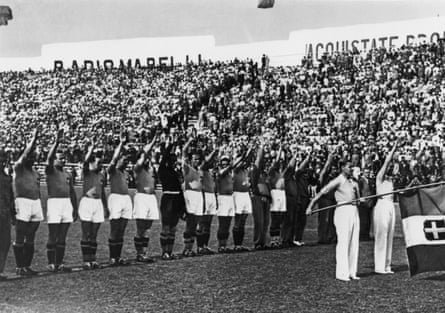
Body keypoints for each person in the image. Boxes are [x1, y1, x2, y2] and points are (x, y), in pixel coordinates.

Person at [306, 160, 361, 282]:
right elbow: (322, 192)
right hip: (343, 210)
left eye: (352, 167)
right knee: (343, 241)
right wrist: (311, 205)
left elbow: (357, 198)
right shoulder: (338, 180)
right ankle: (342, 273)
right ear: (342, 167)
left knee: (354, 242)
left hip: (354, 210)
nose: (351, 169)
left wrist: (357, 198)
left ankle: (352, 272)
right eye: (349, 166)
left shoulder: (353, 181)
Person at [45, 129, 78, 272]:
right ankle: (51, 263)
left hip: (66, 203)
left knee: (63, 236)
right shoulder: (50, 170)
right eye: (60, 158)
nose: (62, 160)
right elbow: (49, 158)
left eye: (64, 158)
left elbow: (72, 192)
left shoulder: (68, 174)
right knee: (53, 234)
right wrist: (56, 141)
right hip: (54, 203)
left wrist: (75, 208)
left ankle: (59, 263)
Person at [12, 128, 42, 276]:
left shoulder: (35, 172)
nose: (32, 159)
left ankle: (27, 266)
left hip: (35, 203)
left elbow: (38, 189)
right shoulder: (18, 168)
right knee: (20, 233)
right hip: (22, 202)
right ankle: (19, 266)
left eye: (33, 157)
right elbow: (24, 155)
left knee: (31, 235)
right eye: (29, 156)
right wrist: (34, 138)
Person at [79, 140, 107, 269]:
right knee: (86, 232)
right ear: (92, 163)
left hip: (98, 203)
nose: (101, 165)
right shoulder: (86, 172)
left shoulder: (102, 175)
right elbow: (85, 161)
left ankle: (93, 259)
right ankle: (86, 260)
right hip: (87, 203)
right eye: (98, 162)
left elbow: (103, 192)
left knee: (94, 234)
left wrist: (106, 207)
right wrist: (92, 148)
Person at [158, 136, 185, 260]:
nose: (175, 162)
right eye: (173, 160)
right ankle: (164, 252)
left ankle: (170, 251)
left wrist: (183, 206)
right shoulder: (163, 169)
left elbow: (180, 189)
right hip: (168, 198)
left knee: (173, 227)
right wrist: (171, 145)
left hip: (177, 199)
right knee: (166, 227)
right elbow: (164, 157)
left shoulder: (175, 172)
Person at [373, 142, 398, 274]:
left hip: (390, 205)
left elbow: (395, 167)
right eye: (388, 167)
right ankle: (379, 266)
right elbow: (387, 162)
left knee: (390, 235)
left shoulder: (391, 180)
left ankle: (387, 265)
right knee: (381, 235)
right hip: (382, 205)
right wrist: (394, 148)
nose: (390, 168)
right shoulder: (379, 178)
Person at [133, 135, 158, 262]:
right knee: (141, 227)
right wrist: (154, 140)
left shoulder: (150, 170)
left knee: (147, 228)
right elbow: (145, 155)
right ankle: (139, 253)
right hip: (142, 198)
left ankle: (144, 252)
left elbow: (152, 160)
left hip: (151, 199)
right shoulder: (137, 168)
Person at [107, 132, 132, 266]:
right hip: (116, 198)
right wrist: (121, 143)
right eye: (124, 160)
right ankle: (112, 257)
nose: (126, 162)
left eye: (127, 161)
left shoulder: (125, 173)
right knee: (114, 228)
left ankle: (118, 256)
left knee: (122, 230)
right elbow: (113, 159)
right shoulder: (113, 170)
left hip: (126, 199)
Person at [216, 153, 244, 253]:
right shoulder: (220, 172)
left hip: (230, 198)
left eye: (226, 163)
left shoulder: (230, 173)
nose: (225, 165)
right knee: (223, 223)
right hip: (223, 198)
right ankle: (221, 245)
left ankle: (224, 244)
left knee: (227, 223)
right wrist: (231, 165)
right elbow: (227, 169)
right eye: (223, 163)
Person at [181, 138, 204, 257]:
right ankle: (186, 248)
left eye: (198, 159)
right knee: (190, 223)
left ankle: (190, 248)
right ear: (190, 160)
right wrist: (189, 140)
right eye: (194, 159)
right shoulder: (187, 168)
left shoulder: (198, 170)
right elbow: (184, 151)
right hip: (190, 196)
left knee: (196, 224)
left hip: (198, 197)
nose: (197, 161)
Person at [232, 146, 254, 252]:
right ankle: (236, 245)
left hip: (246, 195)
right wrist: (245, 154)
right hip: (238, 195)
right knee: (238, 220)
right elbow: (243, 160)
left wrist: (251, 150)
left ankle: (240, 244)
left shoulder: (245, 170)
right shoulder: (235, 170)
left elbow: (248, 160)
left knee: (243, 220)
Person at [197, 148, 218, 255]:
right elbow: (205, 162)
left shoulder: (209, 172)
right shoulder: (201, 169)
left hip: (211, 196)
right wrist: (214, 152)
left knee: (208, 223)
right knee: (202, 222)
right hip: (204, 195)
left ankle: (205, 245)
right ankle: (200, 246)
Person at [250, 140, 271, 250]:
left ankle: (262, 242)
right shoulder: (255, 170)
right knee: (259, 221)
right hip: (258, 197)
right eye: (264, 160)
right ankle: (257, 242)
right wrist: (261, 149)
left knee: (265, 222)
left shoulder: (264, 173)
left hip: (266, 199)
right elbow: (258, 161)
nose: (265, 162)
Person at [0, 149, 15, 280]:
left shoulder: (7, 178)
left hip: (5, 214)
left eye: (2, 159)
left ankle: (0, 270)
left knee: (5, 242)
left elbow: (10, 197)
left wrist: (13, 214)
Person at [317, 148, 337, 244]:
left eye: (335, 169)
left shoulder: (335, 179)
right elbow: (325, 170)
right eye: (332, 169)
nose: (334, 171)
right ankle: (322, 238)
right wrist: (329, 159)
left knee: (332, 220)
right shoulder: (325, 177)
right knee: (324, 220)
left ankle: (330, 237)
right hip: (325, 200)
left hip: (333, 201)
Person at [268, 146, 286, 248]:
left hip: (281, 194)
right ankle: (273, 240)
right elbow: (277, 161)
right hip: (275, 193)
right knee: (275, 217)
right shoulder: (271, 170)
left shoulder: (279, 172)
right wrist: (280, 149)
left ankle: (277, 239)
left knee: (280, 217)